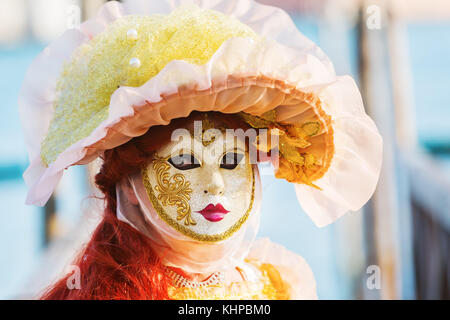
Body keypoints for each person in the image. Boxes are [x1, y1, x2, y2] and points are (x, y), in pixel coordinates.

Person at [18, 0, 382, 300]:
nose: (216, 185)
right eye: (185, 161)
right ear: (128, 181)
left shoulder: (277, 286)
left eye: (231, 160)